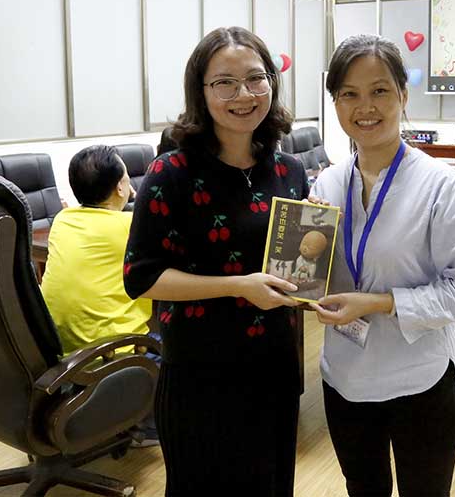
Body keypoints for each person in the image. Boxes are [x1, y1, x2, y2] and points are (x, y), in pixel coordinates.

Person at [123, 26, 308, 496]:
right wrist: (237, 285)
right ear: (201, 92)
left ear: (272, 83)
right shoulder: (172, 173)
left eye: (256, 78)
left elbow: (295, 266)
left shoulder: (289, 171)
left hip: (275, 364)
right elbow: (141, 278)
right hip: (200, 371)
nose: (243, 95)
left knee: (271, 486)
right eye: (225, 82)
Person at [308, 34, 455, 497]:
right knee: (362, 488)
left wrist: (379, 303)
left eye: (379, 91)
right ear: (335, 102)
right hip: (344, 378)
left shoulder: (439, 186)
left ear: (403, 96)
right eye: (349, 93)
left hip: (419, 380)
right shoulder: (327, 185)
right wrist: (302, 262)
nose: (365, 107)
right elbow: (314, 278)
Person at [40, 144, 158, 445]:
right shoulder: (130, 227)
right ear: (120, 186)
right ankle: (148, 426)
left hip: (57, 346)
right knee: (178, 336)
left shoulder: (63, 220)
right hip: (109, 352)